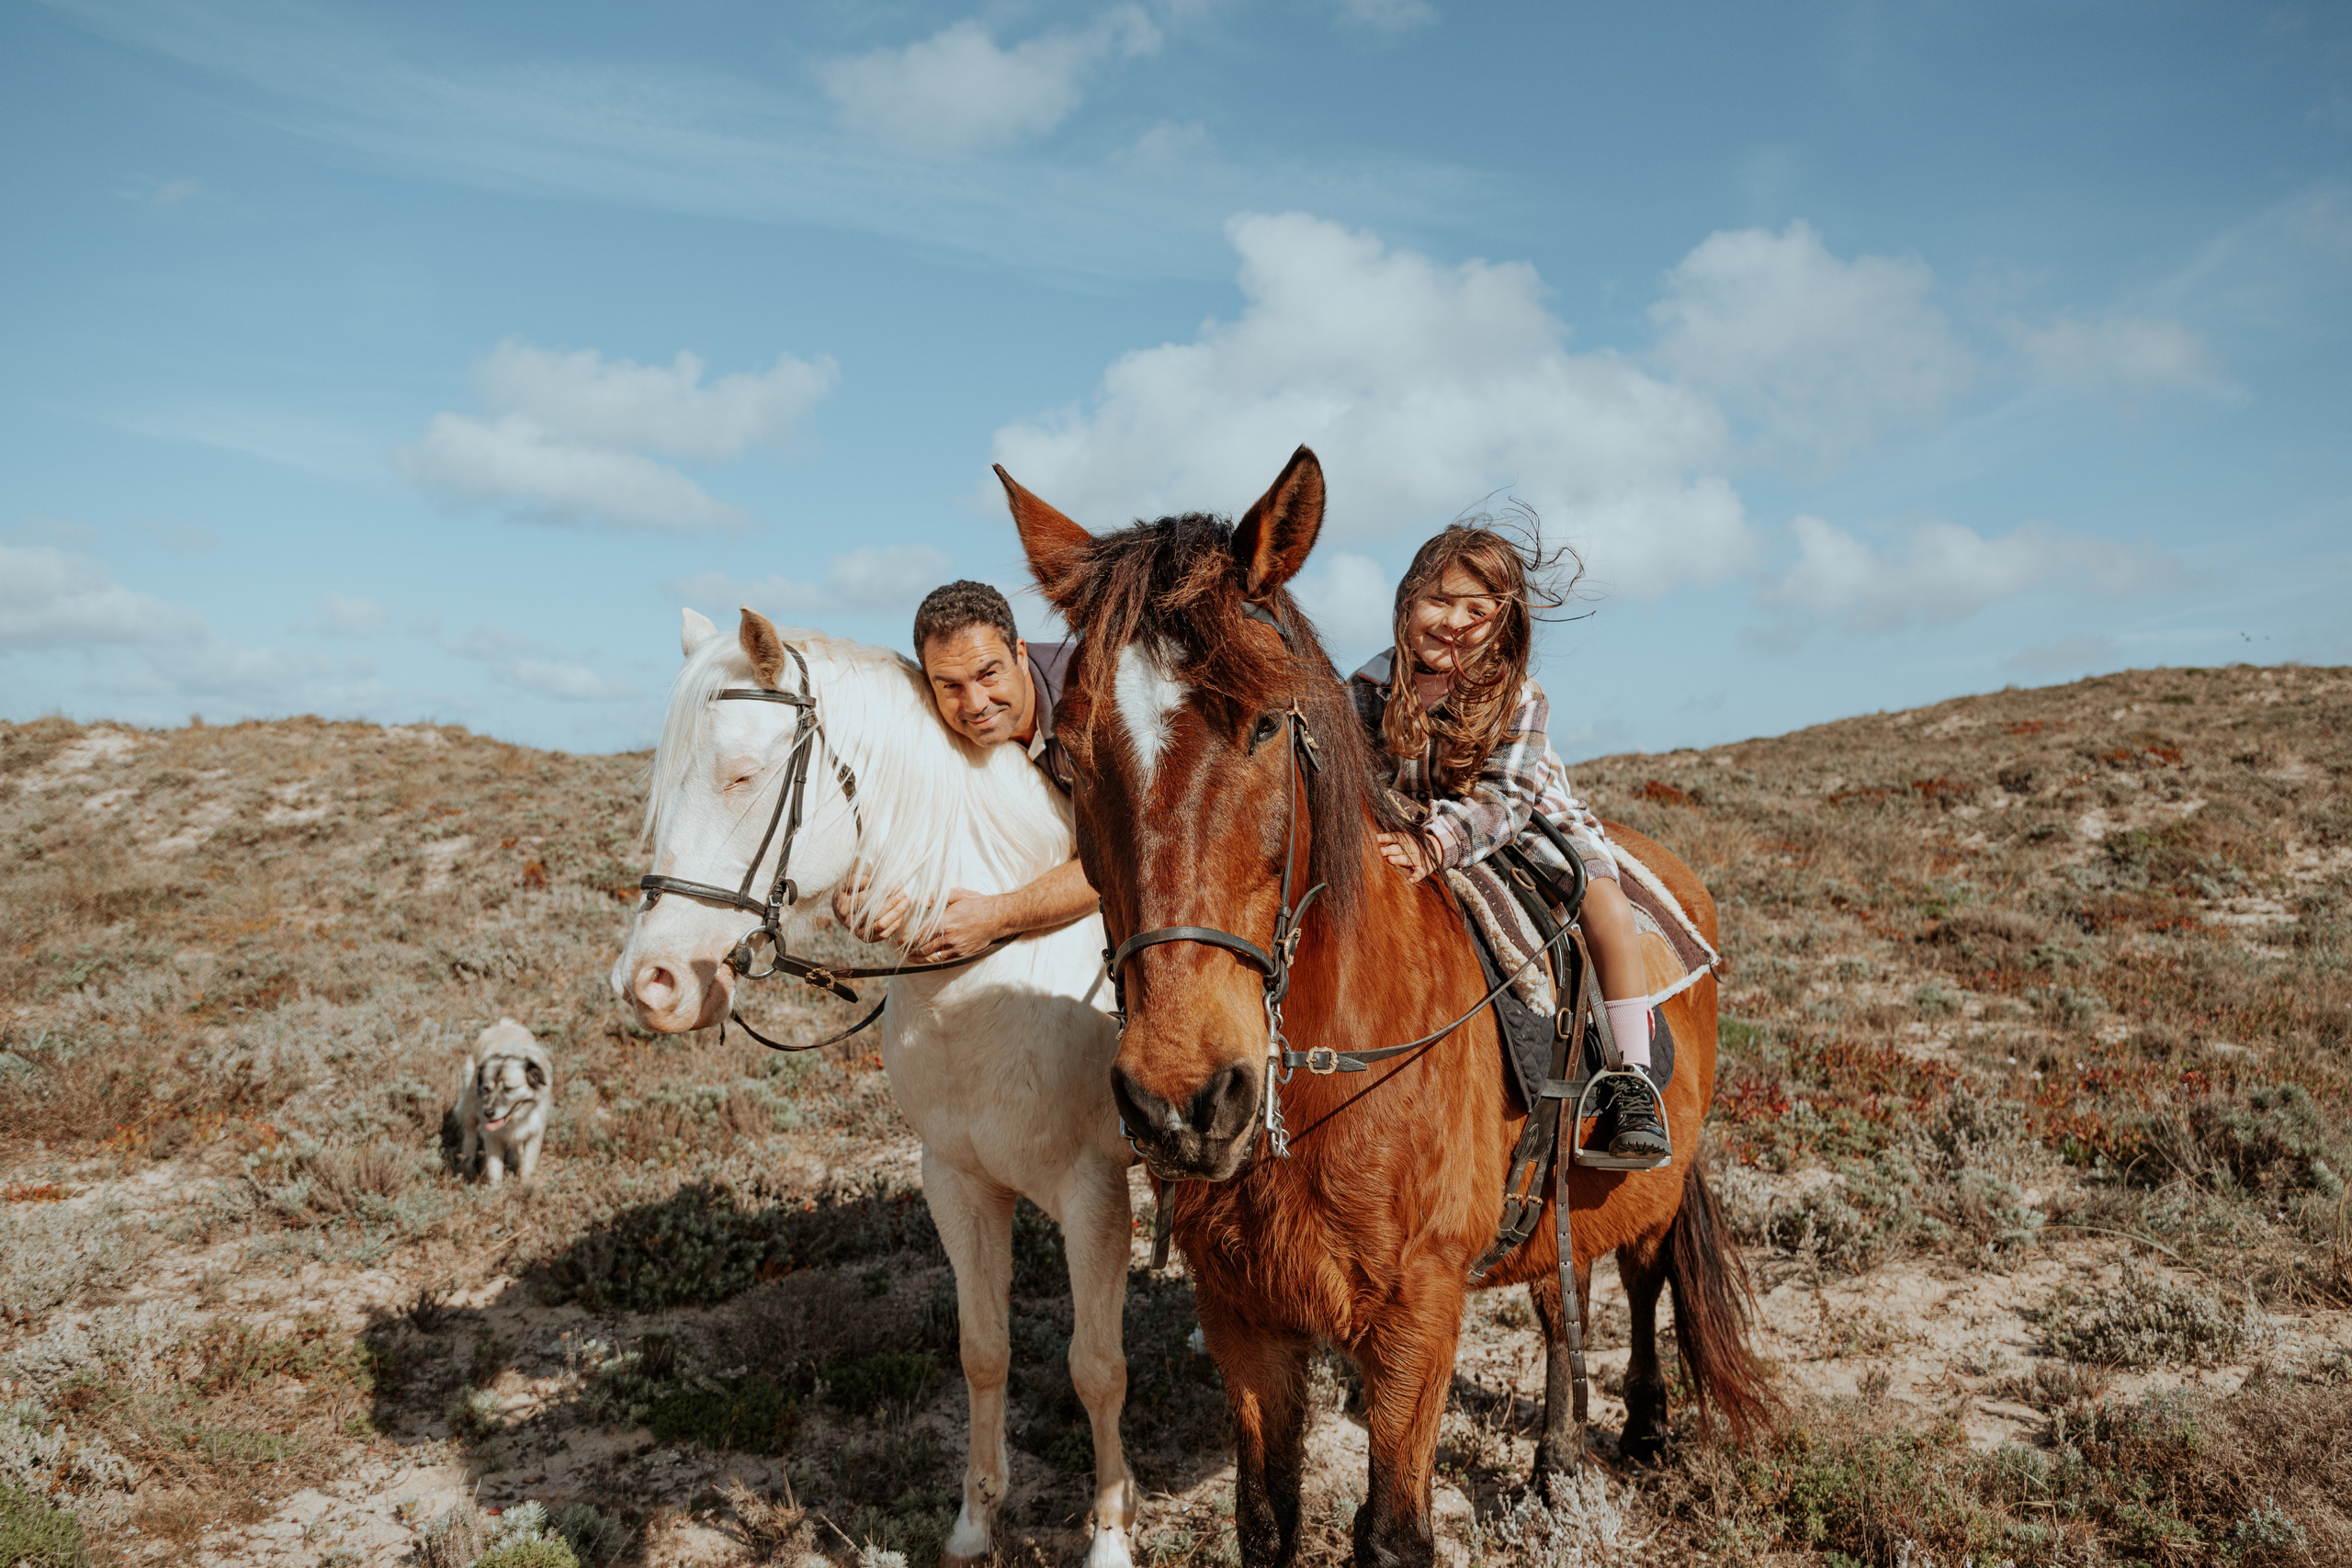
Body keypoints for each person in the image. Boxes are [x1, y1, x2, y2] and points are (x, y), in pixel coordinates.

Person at [1349, 522, 1670, 1161]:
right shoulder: (1368, 686)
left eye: (1478, 610)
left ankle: (1631, 1078)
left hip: (1521, 823)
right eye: (1438, 600)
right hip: (1407, 815)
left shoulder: (1517, 694)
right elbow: (1351, 776)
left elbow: (1503, 802)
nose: (1453, 621)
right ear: (1406, 601)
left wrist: (1432, 846)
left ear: (1505, 624)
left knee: (1604, 904)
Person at [831, 581, 1096, 962]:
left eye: (988, 674)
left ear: (1020, 654)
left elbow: (1131, 864)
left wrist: (998, 917)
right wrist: (858, 897)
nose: (975, 704)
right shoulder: (933, 724)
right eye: (951, 685)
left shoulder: (1099, 708)